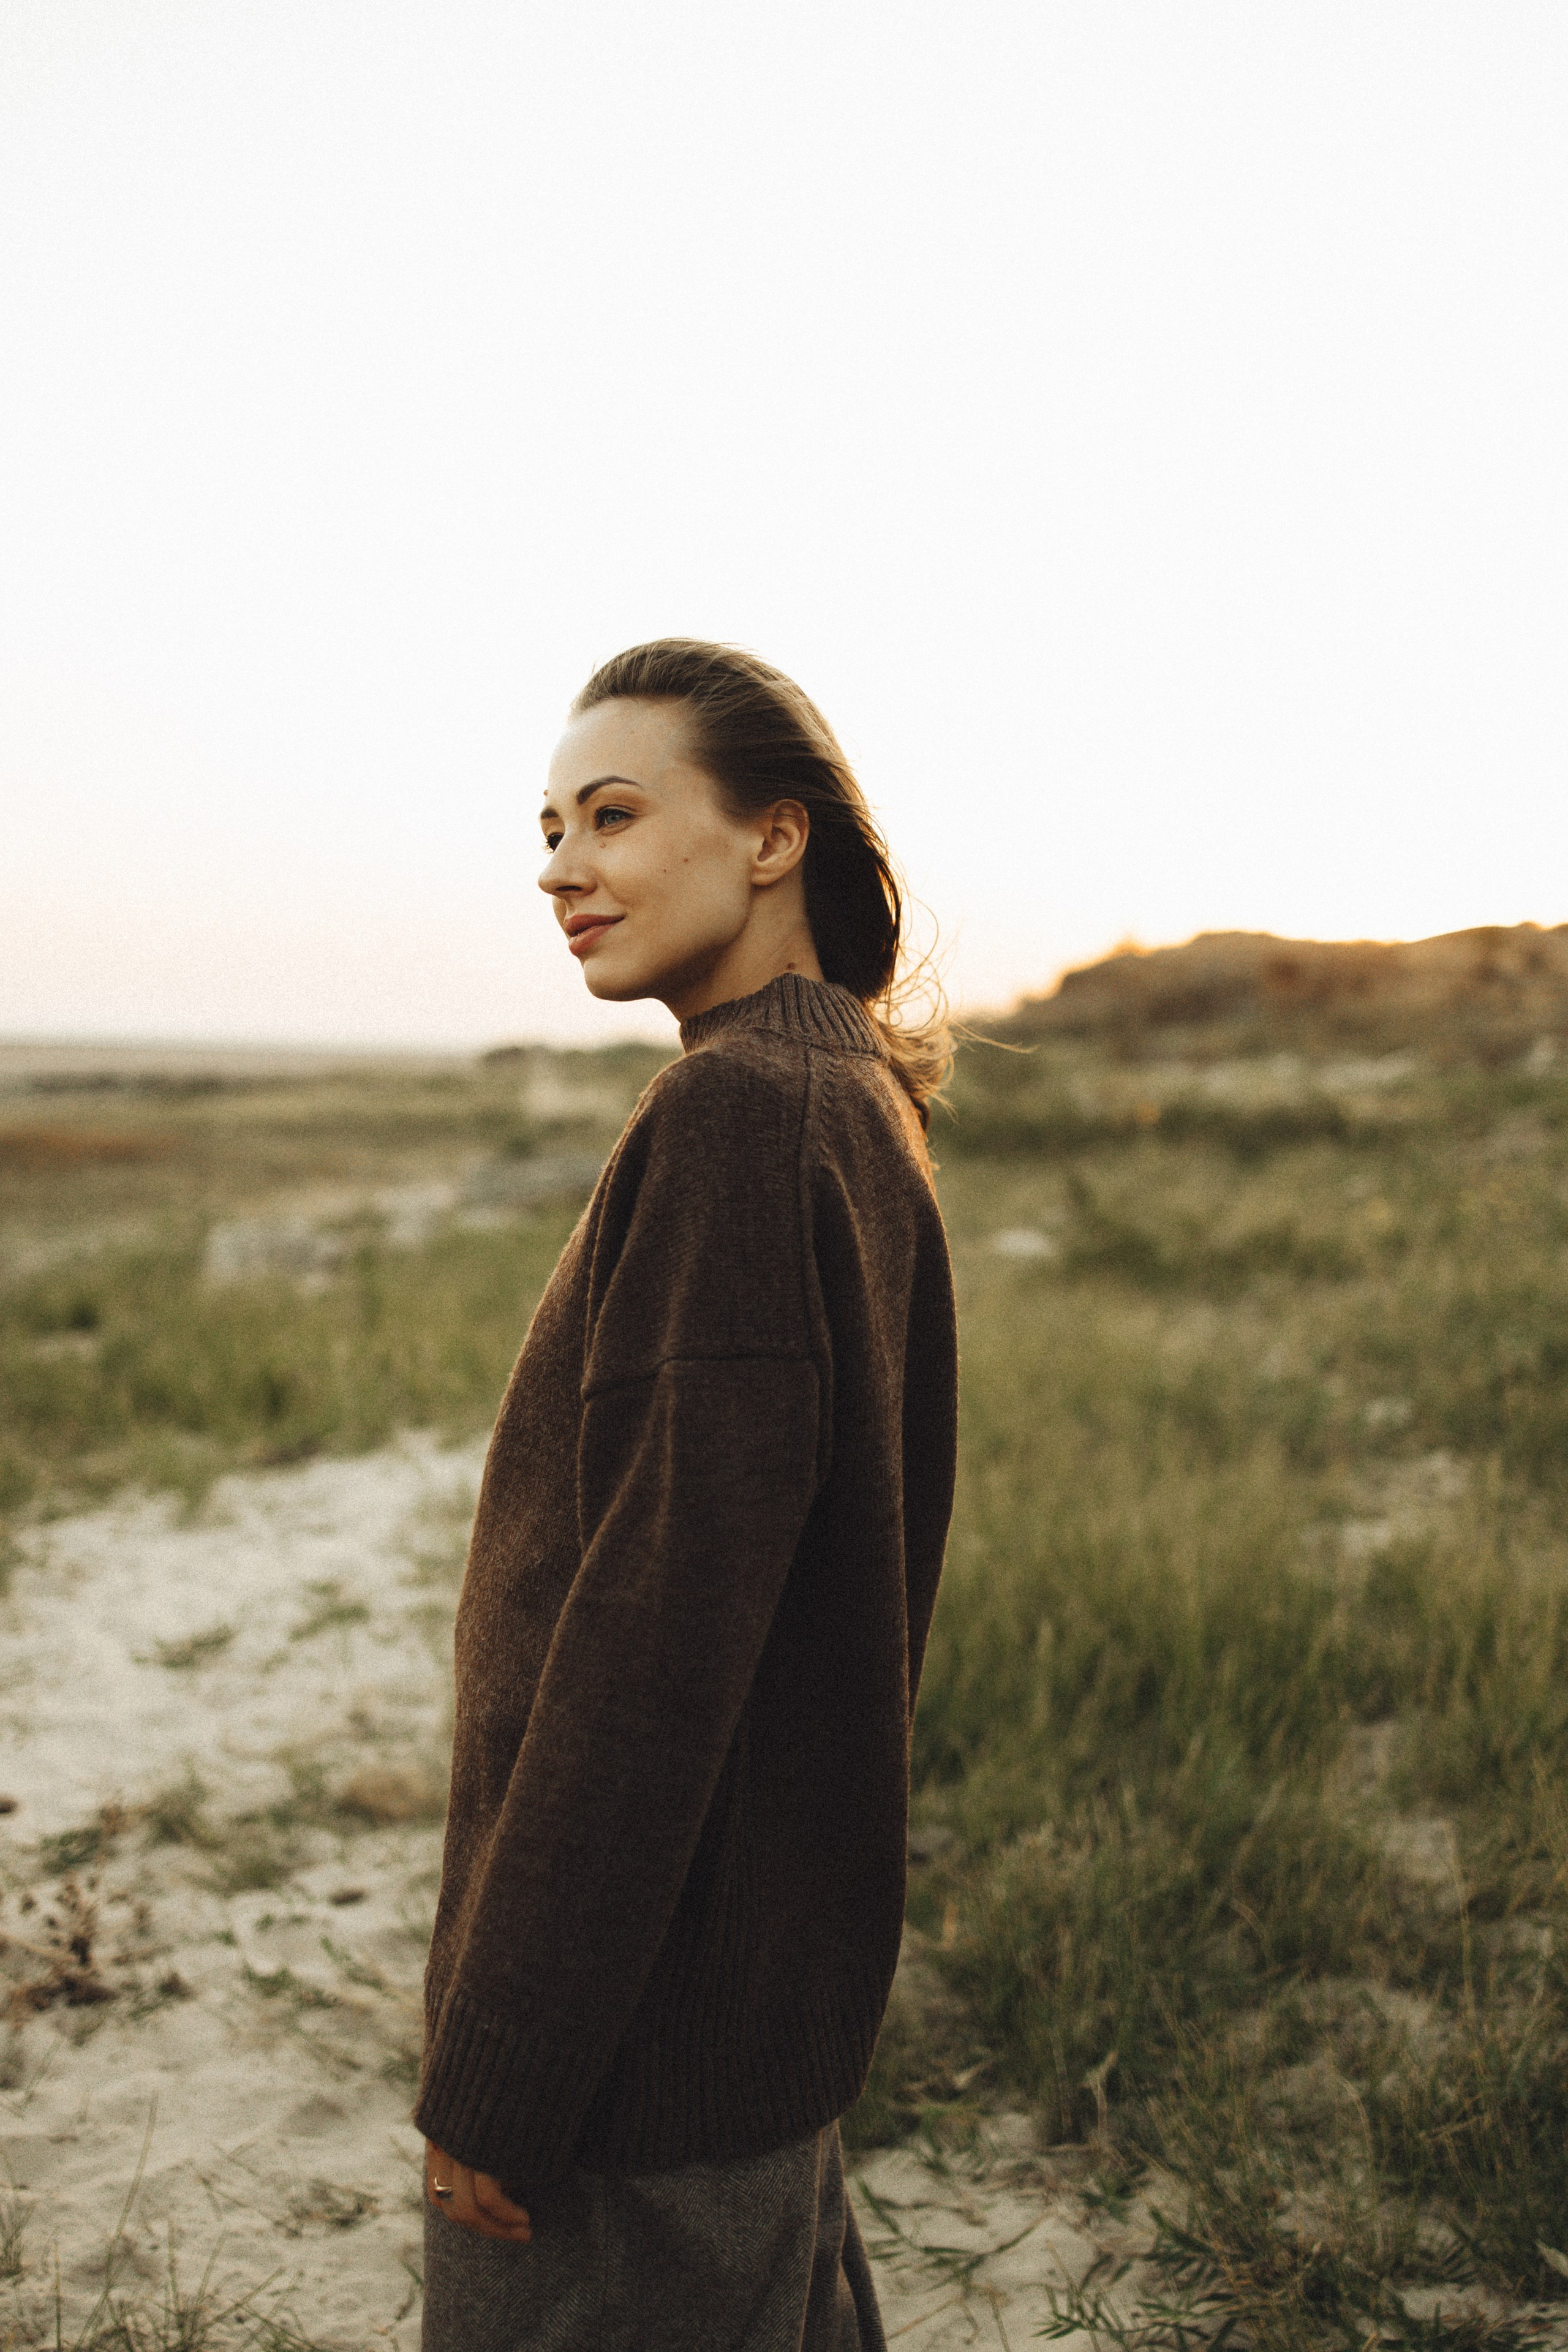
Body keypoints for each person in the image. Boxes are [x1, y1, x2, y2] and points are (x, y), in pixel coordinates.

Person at [415, 639, 959, 2351]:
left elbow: (657, 1650)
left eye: (617, 814)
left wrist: (508, 2068)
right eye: (553, 826)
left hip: (641, 2066)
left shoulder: (738, 1120)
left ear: (774, 838)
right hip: (748, 2014)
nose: (561, 866)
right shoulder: (842, 1093)